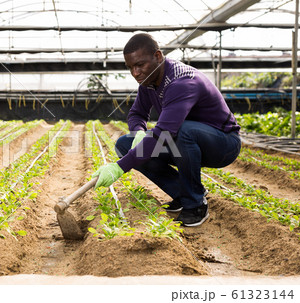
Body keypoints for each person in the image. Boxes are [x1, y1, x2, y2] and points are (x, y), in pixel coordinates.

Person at [92, 33, 241, 227]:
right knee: (125, 144)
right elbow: (137, 114)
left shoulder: (182, 81)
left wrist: (119, 167)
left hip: (223, 144)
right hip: (186, 140)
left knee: (182, 131)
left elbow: (163, 133)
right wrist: (137, 133)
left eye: (140, 65)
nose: (135, 73)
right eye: (130, 68)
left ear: (158, 56)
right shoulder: (148, 82)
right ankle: (182, 191)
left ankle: (195, 204)